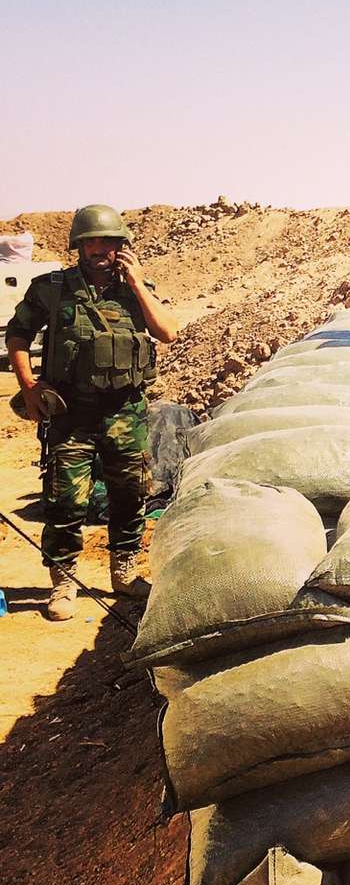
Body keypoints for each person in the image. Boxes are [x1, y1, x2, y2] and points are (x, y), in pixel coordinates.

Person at [4, 204, 178, 620]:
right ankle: (64, 583)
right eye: (91, 242)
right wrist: (29, 386)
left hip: (126, 411)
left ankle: (124, 571)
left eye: (109, 242)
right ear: (78, 247)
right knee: (65, 500)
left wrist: (136, 283)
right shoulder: (53, 288)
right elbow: (18, 334)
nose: (100, 249)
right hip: (72, 413)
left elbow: (168, 332)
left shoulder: (138, 288)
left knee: (129, 494)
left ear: (123, 246)